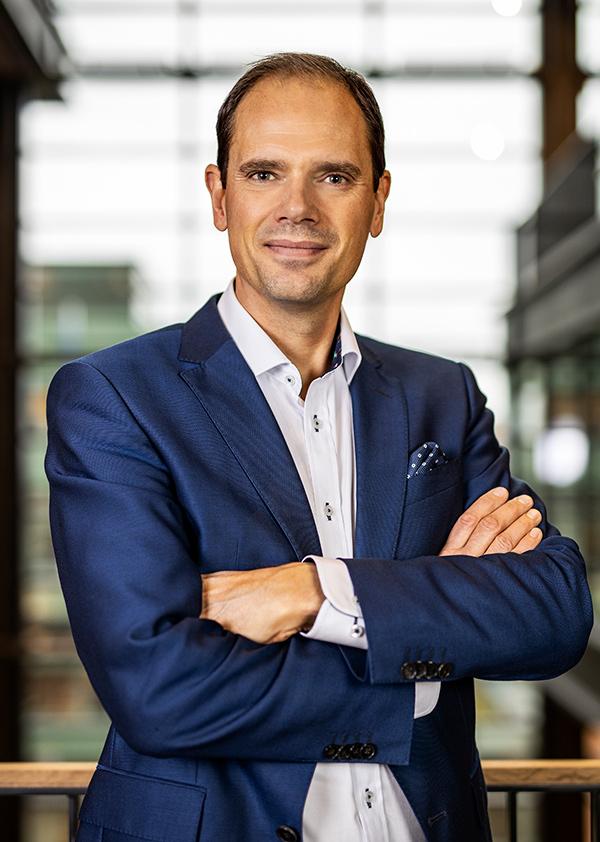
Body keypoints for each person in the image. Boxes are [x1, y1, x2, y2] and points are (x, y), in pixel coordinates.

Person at [45, 52, 592, 842]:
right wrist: (419, 664)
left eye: (333, 176)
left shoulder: (442, 396)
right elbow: (159, 689)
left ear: (378, 200)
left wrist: (316, 590)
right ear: (219, 196)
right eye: (264, 173)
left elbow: (553, 612)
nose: (296, 208)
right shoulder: (116, 397)